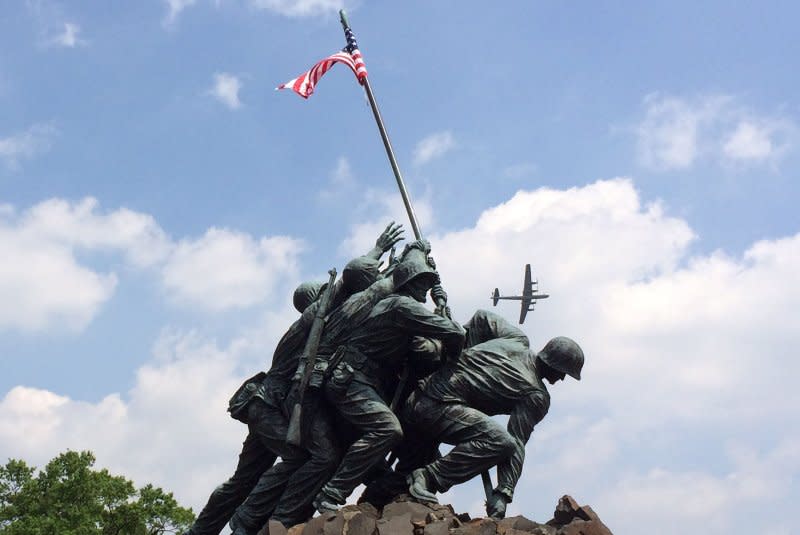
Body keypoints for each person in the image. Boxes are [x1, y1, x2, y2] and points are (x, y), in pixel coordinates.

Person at [183, 224, 403, 535]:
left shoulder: (321, 325)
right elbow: (349, 285)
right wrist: (381, 254)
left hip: (270, 406)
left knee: (244, 479)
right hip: (272, 406)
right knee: (316, 456)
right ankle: (257, 523)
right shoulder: (312, 319)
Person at [312, 240, 466, 513]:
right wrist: (445, 327)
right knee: (387, 429)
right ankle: (331, 494)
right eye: (421, 282)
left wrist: (440, 309)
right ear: (408, 282)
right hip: (351, 379)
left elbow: (424, 349)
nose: (425, 288)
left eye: (428, 283)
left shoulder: (398, 305)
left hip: (362, 380)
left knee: (409, 438)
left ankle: (387, 492)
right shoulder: (402, 306)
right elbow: (455, 334)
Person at [402, 309, 584, 518]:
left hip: (418, 392)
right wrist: (504, 492)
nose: (561, 379)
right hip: (432, 409)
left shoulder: (517, 339)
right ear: (555, 364)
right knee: (500, 442)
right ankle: (427, 478)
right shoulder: (536, 396)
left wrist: (458, 358)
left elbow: (481, 318)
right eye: (564, 373)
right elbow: (515, 442)